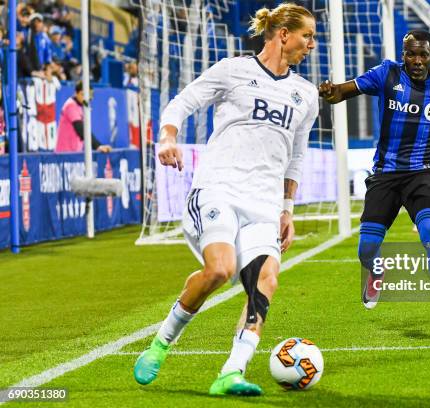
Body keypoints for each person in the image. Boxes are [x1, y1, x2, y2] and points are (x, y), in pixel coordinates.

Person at [132, 3, 318, 396]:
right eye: (308, 36)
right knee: (219, 269)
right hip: (218, 188)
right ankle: (162, 342)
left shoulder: (305, 94)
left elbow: (296, 156)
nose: (312, 45)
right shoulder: (234, 70)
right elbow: (182, 102)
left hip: (265, 204)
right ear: (284, 34)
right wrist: (167, 137)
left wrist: (287, 210)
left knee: (266, 280)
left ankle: (231, 371)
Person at [319, 30, 430, 334]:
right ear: (403, 55)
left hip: (425, 173)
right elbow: (341, 93)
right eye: (411, 54)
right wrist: (329, 91)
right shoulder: (386, 74)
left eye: (423, 54)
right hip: (385, 174)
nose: (416, 60)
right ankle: (375, 270)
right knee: (366, 248)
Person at [55, 80, 112, 153]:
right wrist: (98, 146)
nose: (85, 98)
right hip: (65, 153)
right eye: (82, 94)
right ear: (76, 93)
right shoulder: (71, 106)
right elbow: (81, 130)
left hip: (74, 152)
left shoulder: (81, 106)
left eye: (88, 95)